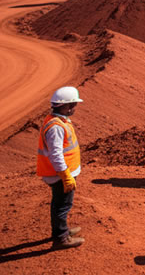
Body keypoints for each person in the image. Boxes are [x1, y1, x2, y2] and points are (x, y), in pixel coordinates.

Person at [37, 86, 85, 249]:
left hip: (61, 173)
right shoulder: (56, 127)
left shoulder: (58, 120)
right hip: (59, 175)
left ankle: (61, 230)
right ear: (62, 105)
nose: (73, 108)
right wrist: (65, 175)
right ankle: (61, 238)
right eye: (71, 105)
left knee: (60, 203)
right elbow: (55, 154)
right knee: (62, 205)